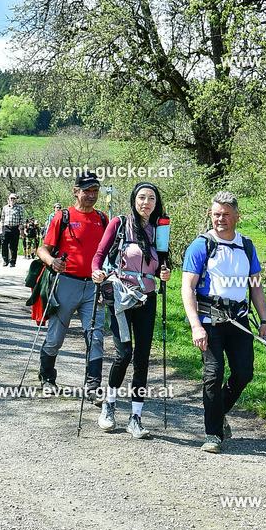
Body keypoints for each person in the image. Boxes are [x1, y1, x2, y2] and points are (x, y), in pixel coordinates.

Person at [181, 191, 266, 452]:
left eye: (226, 215)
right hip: (210, 319)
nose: (220, 219)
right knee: (214, 372)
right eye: (216, 214)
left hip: (239, 320)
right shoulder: (201, 245)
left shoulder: (247, 245)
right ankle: (212, 434)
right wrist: (195, 325)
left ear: (236, 217)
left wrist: (264, 321)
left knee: (244, 372)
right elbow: (187, 287)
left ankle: (218, 413)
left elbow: (255, 286)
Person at [91, 183, 171, 438]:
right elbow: (100, 254)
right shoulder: (119, 223)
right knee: (123, 354)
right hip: (121, 299)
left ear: (156, 202)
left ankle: (135, 417)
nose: (146, 202)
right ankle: (109, 405)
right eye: (141, 197)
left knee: (142, 359)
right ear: (134, 200)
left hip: (147, 299)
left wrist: (164, 272)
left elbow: (160, 262)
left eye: (151, 198)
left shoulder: (160, 229)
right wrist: (97, 271)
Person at [35, 172, 108, 394]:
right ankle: (47, 377)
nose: (91, 195)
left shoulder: (103, 219)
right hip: (66, 283)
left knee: (95, 335)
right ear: (76, 191)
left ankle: (93, 385)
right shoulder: (63, 216)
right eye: (87, 191)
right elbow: (42, 249)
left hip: (93, 287)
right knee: (56, 335)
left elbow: (109, 253)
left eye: (95, 191)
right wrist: (52, 261)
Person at [0, 193, 24, 267]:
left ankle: (13, 262)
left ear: (16, 200)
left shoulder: (19, 208)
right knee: (4, 244)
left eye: (14, 199)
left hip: (15, 228)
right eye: (11, 198)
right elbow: (2, 218)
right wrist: (1, 229)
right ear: (8, 199)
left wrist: (22, 229)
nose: (12, 200)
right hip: (6, 227)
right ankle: (5, 260)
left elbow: (21, 219)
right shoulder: (5, 208)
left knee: (14, 246)